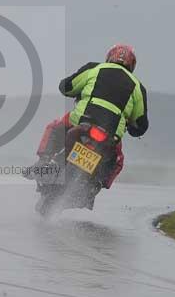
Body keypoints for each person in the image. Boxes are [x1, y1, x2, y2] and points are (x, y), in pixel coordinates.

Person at [27, 44, 149, 192]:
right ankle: (96, 185)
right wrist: (132, 127)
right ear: (132, 64)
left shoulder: (94, 69)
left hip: (81, 120)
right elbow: (141, 124)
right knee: (118, 160)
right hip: (111, 134)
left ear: (110, 56)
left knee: (55, 126)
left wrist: (75, 92)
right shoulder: (138, 87)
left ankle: (44, 161)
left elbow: (67, 86)